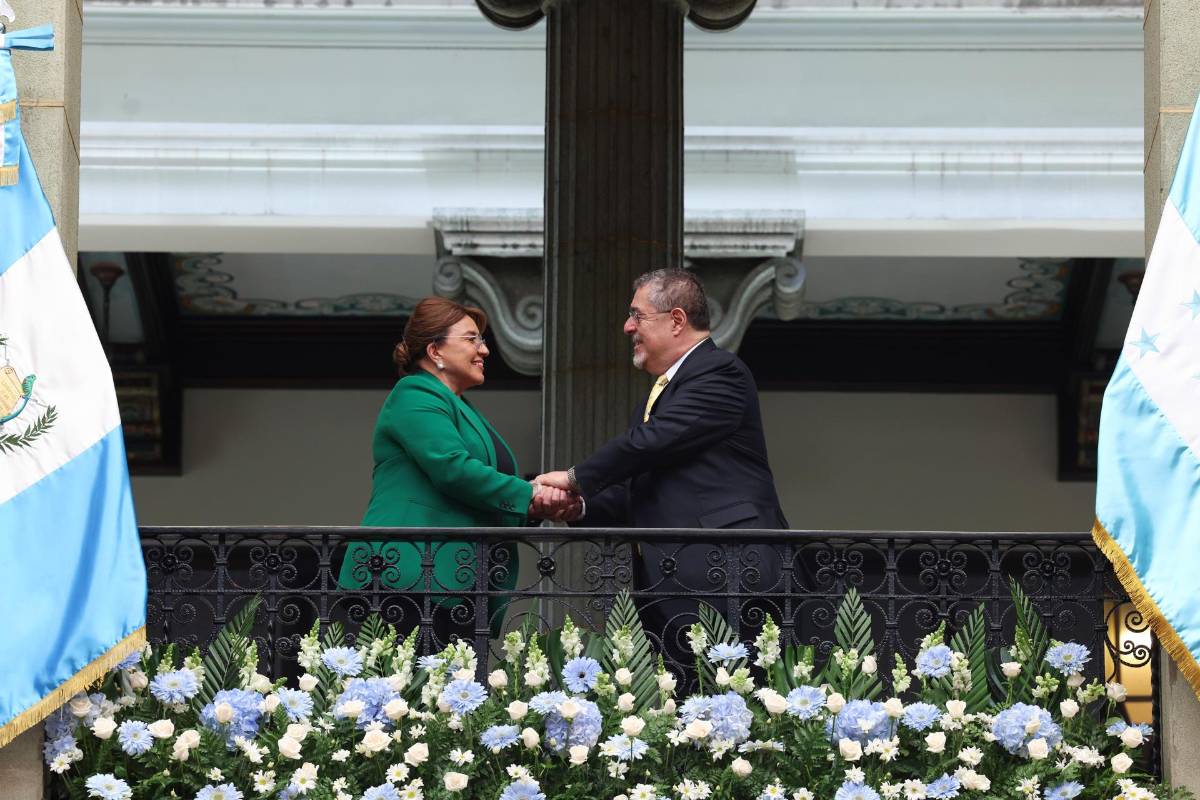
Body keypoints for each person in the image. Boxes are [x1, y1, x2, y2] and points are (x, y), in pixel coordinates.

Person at [537, 268, 788, 664]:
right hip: (672, 580)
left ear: (676, 320)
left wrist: (575, 478)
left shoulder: (720, 371)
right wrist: (578, 507)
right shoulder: (661, 394)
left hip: (727, 571)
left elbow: (652, 441)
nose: (627, 326)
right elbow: (641, 489)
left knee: (735, 693)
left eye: (637, 315)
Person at [338, 297, 572, 641]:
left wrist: (538, 506)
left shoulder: (459, 406)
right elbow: (453, 470)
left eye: (482, 340)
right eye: (471, 339)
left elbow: (479, 491)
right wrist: (532, 495)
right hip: (407, 577)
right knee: (411, 677)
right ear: (435, 351)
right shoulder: (415, 394)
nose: (484, 350)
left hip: (452, 580)